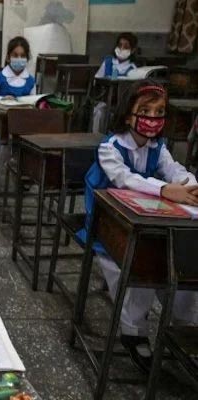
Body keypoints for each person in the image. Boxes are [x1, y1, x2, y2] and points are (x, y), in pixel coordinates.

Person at [79, 80, 198, 374]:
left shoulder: (159, 147)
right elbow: (125, 180)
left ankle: (186, 327)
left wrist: (191, 186)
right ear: (128, 113)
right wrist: (164, 190)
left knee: (184, 262)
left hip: (150, 223)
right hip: (109, 223)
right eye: (145, 110)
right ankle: (134, 331)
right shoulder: (111, 147)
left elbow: (177, 172)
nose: (152, 118)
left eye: (159, 112)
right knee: (138, 273)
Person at [0, 36, 35, 184]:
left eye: (23, 56)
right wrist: (1, 99)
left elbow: (33, 103)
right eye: (15, 55)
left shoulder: (30, 81)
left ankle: (24, 178)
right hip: (1, 127)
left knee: (25, 152)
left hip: (22, 127)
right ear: (8, 57)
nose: (19, 59)